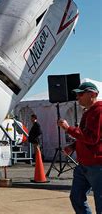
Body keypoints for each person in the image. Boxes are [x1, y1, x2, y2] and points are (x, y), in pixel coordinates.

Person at [58, 82, 101, 214]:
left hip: (97, 165)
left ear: (92, 94)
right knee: (76, 197)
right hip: (84, 164)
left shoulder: (99, 112)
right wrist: (73, 146)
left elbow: (93, 138)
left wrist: (68, 129)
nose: (78, 97)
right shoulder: (89, 112)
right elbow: (86, 137)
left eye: (80, 94)